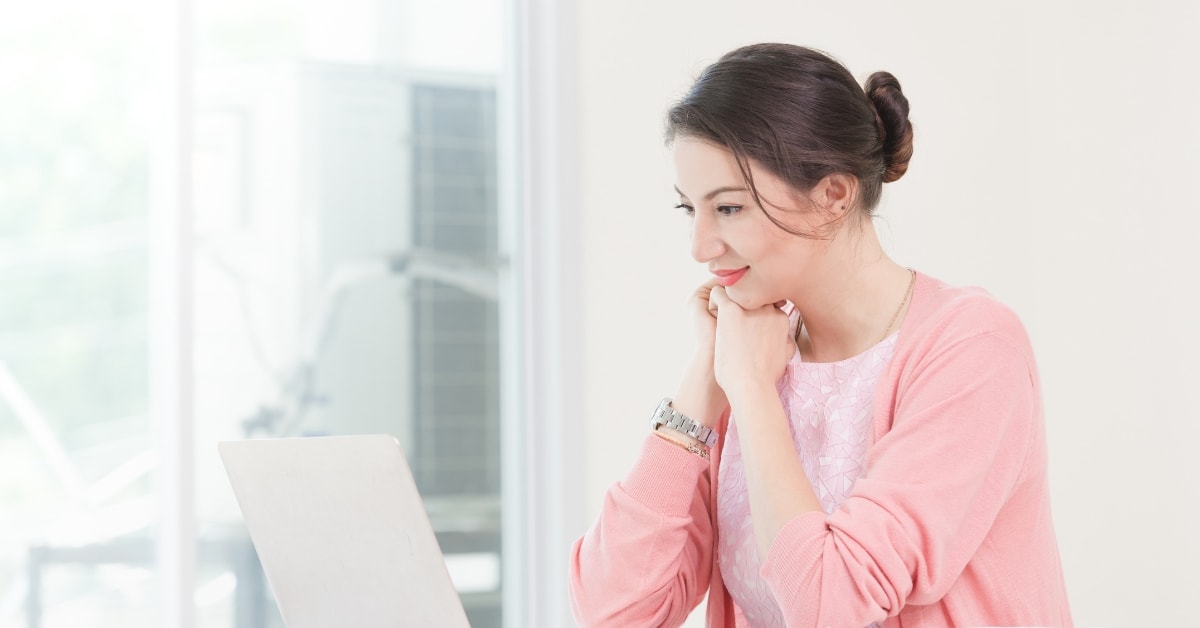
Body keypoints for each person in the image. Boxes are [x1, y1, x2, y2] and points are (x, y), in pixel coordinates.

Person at [568, 43, 1072, 627]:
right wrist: (704, 383)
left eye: (728, 209)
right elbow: (614, 611)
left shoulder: (972, 349)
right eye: (690, 210)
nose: (700, 248)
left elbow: (833, 604)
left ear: (833, 195)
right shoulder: (749, 353)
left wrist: (752, 391)